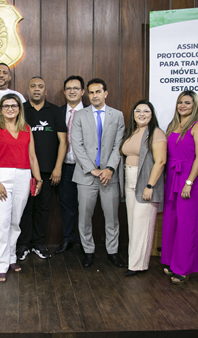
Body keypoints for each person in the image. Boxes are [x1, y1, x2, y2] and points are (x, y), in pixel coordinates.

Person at [0, 94, 43, 282]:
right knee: (0, 223)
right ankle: (0, 265)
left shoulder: (26, 128)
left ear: (19, 108)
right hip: (0, 176)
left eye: (14, 105)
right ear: (1, 109)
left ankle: (11, 258)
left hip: (23, 176)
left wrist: (38, 178)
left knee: (15, 221)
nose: (10, 109)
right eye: (6, 106)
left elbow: (32, 156)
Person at [71, 78, 125, 268]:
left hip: (109, 176)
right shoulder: (79, 115)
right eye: (91, 92)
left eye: (98, 92)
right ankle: (88, 251)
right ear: (88, 94)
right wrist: (92, 169)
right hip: (86, 175)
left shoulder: (117, 115)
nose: (95, 95)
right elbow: (76, 145)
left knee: (112, 217)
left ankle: (113, 252)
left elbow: (118, 145)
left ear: (105, 93)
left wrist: (109, 169)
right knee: (84, 217)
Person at [161, 90, 198, 284]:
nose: (182, 105)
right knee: (171, 221)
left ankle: (183, 268)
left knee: (187, 224)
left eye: (187, 103)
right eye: (180, 102)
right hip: (172, 176)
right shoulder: (173, 125)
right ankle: (172, 262)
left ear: (194, 105)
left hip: (190, 177)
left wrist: (188, 182)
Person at [17, 76, 67, 260]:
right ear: (27, 90)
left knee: (42, 208)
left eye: (40, 87)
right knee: (24, 208)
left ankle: (38, 243)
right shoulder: (20, 109)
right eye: (33, 86)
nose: (36, 89)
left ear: (45, 91)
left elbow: (63, 141)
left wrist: (58, 167)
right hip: (22, 170)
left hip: (47, 171)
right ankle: (23, 244)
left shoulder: (54, 111)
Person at [119, 100, 166, 276]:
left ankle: (137, 265)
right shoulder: (132, 132)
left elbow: (160, 161)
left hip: (145, 181)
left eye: (146, 111)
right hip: (129, 179)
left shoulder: (156, 133)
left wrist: (150, 185)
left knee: (142, 224)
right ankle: (135, 261)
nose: (141, 114)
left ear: (152, 114)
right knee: (133, 224)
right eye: (137, 110)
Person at [55, 75, 85, 254]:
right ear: (64, 92)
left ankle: (84, 241)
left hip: (85, 168)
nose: (72, 91)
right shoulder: (57, 112)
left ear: (82, 91)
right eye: (68, 88)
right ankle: (68, 239)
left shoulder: (90, 112)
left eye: (76, 88)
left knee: (85, 206)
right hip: (65, 166)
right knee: (66, 205)